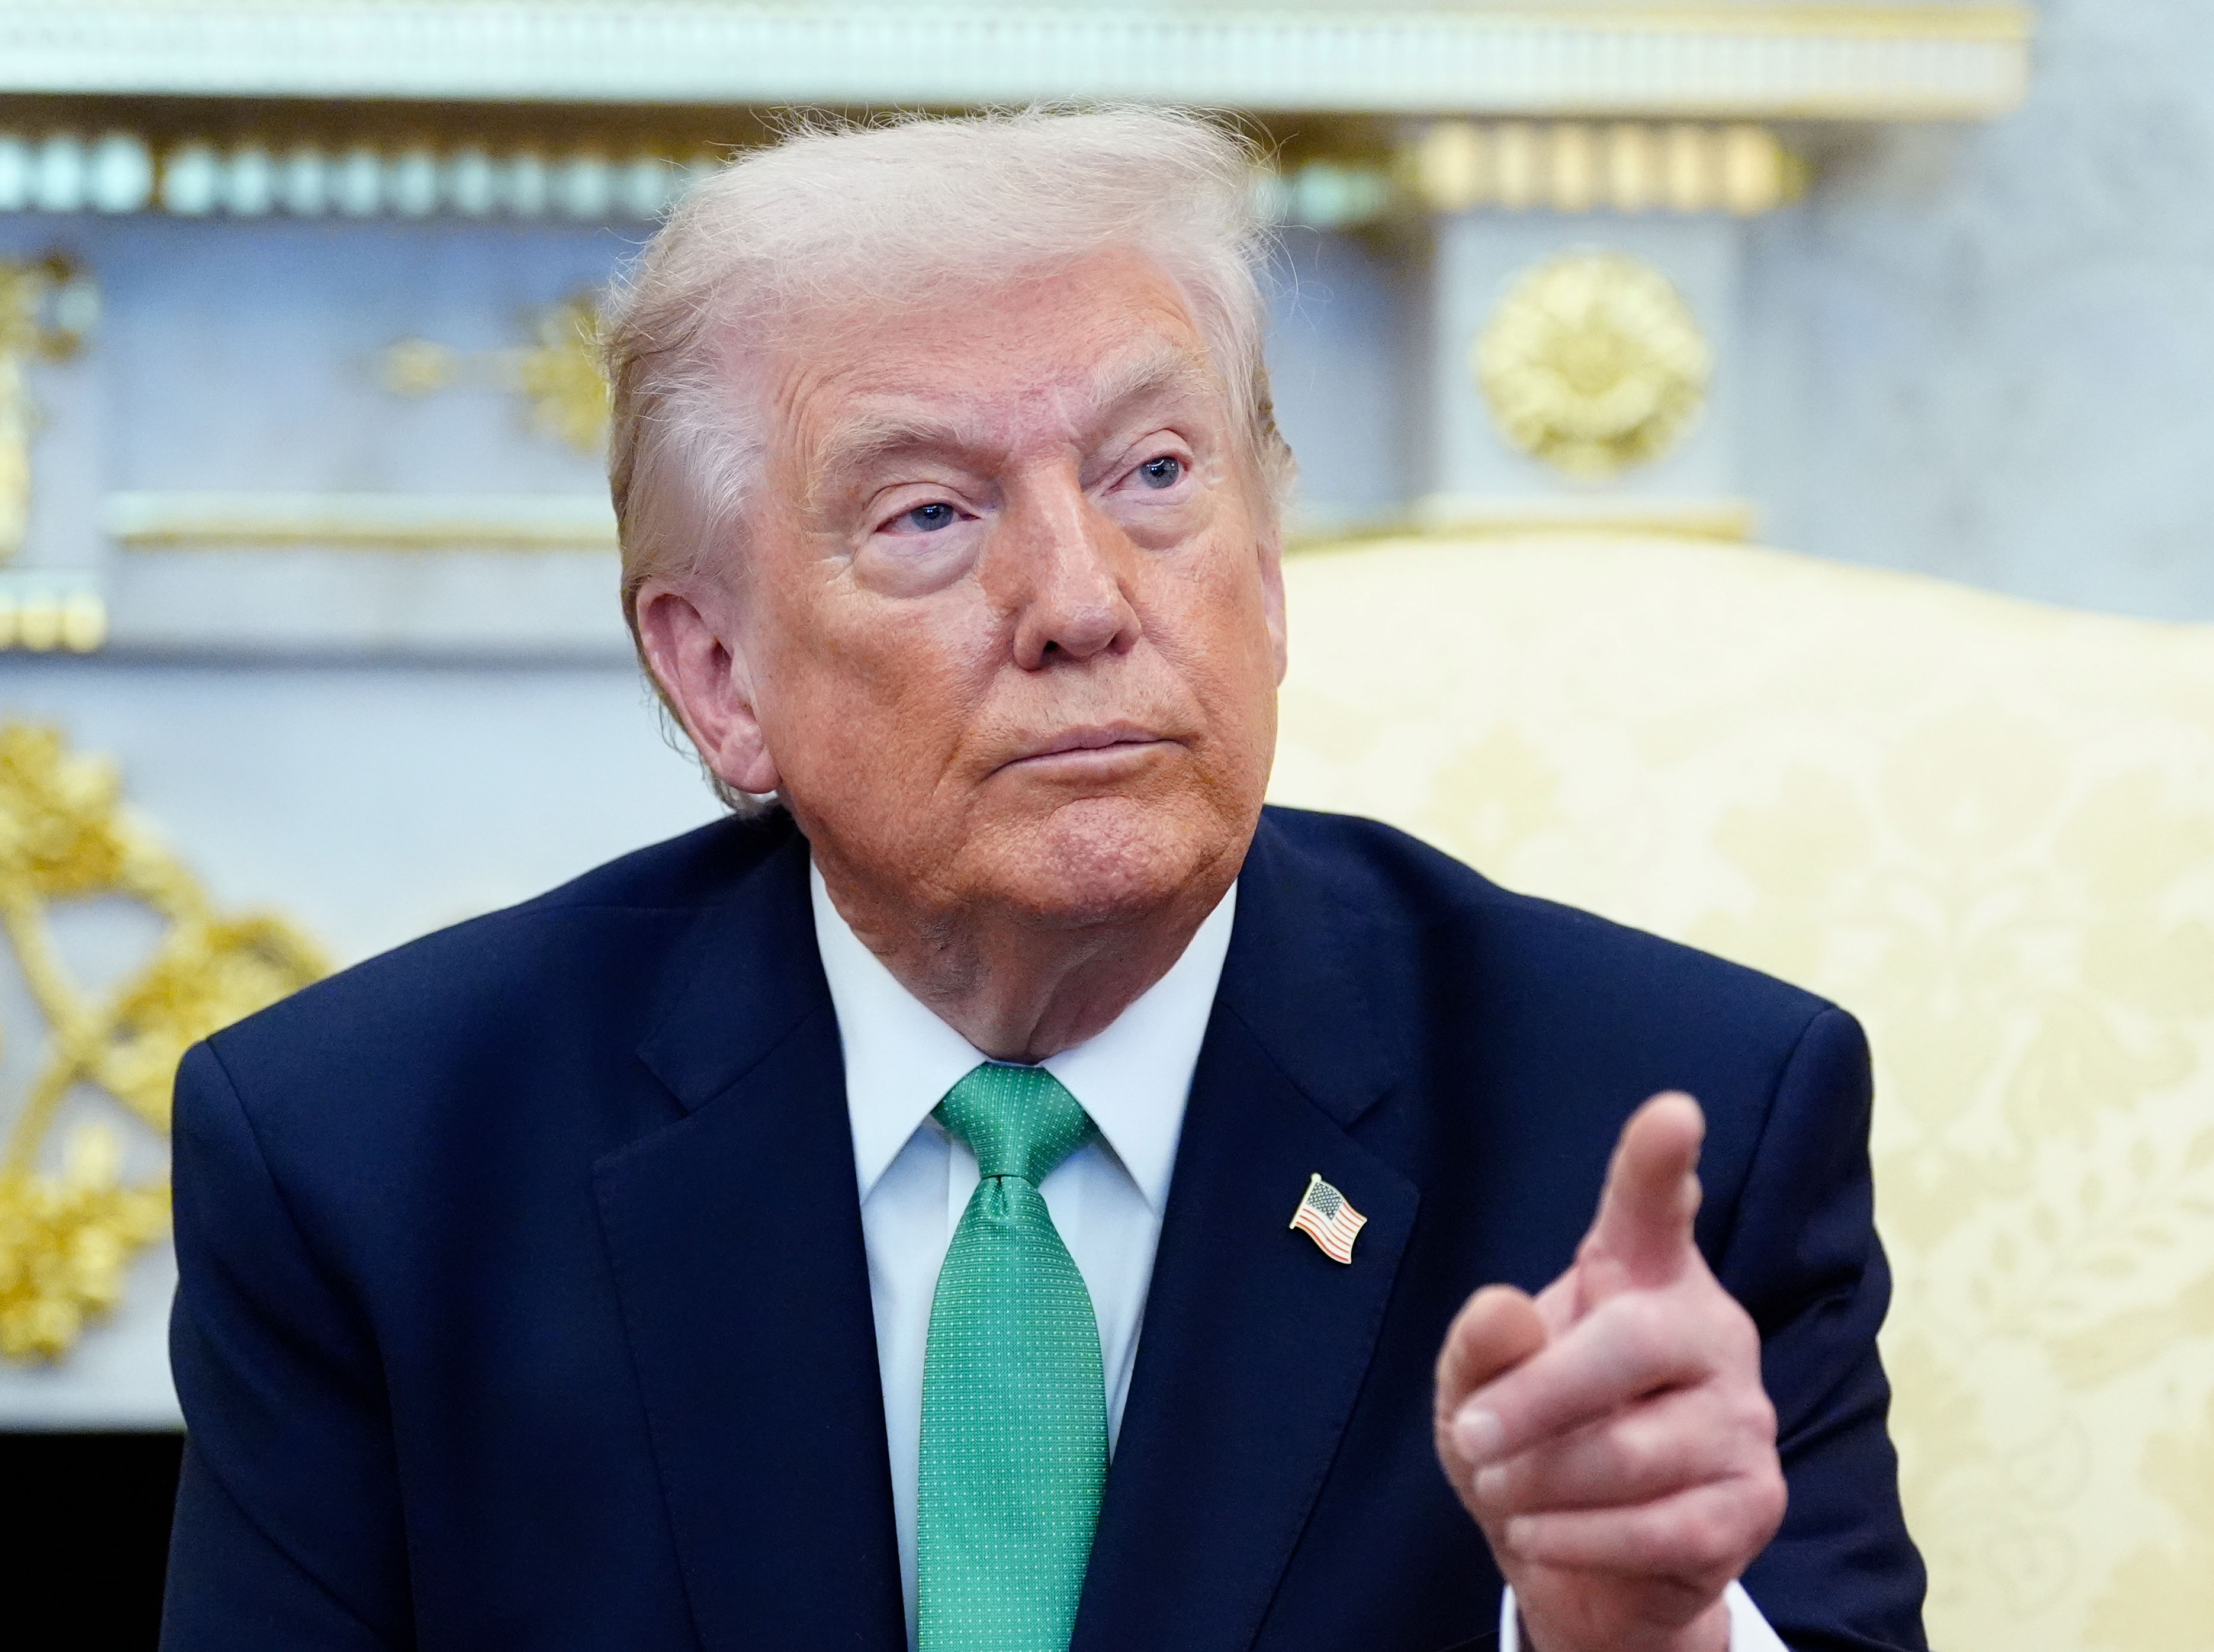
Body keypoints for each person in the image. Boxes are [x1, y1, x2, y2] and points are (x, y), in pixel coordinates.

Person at [160, 109, 1923, 1652]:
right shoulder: (367, 1168)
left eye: (1154, 475)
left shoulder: (1653, 1132)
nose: (1083, 600)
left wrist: (1640, 1642)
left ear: (1272, 569)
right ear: (716, 679)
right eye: (928, 514)